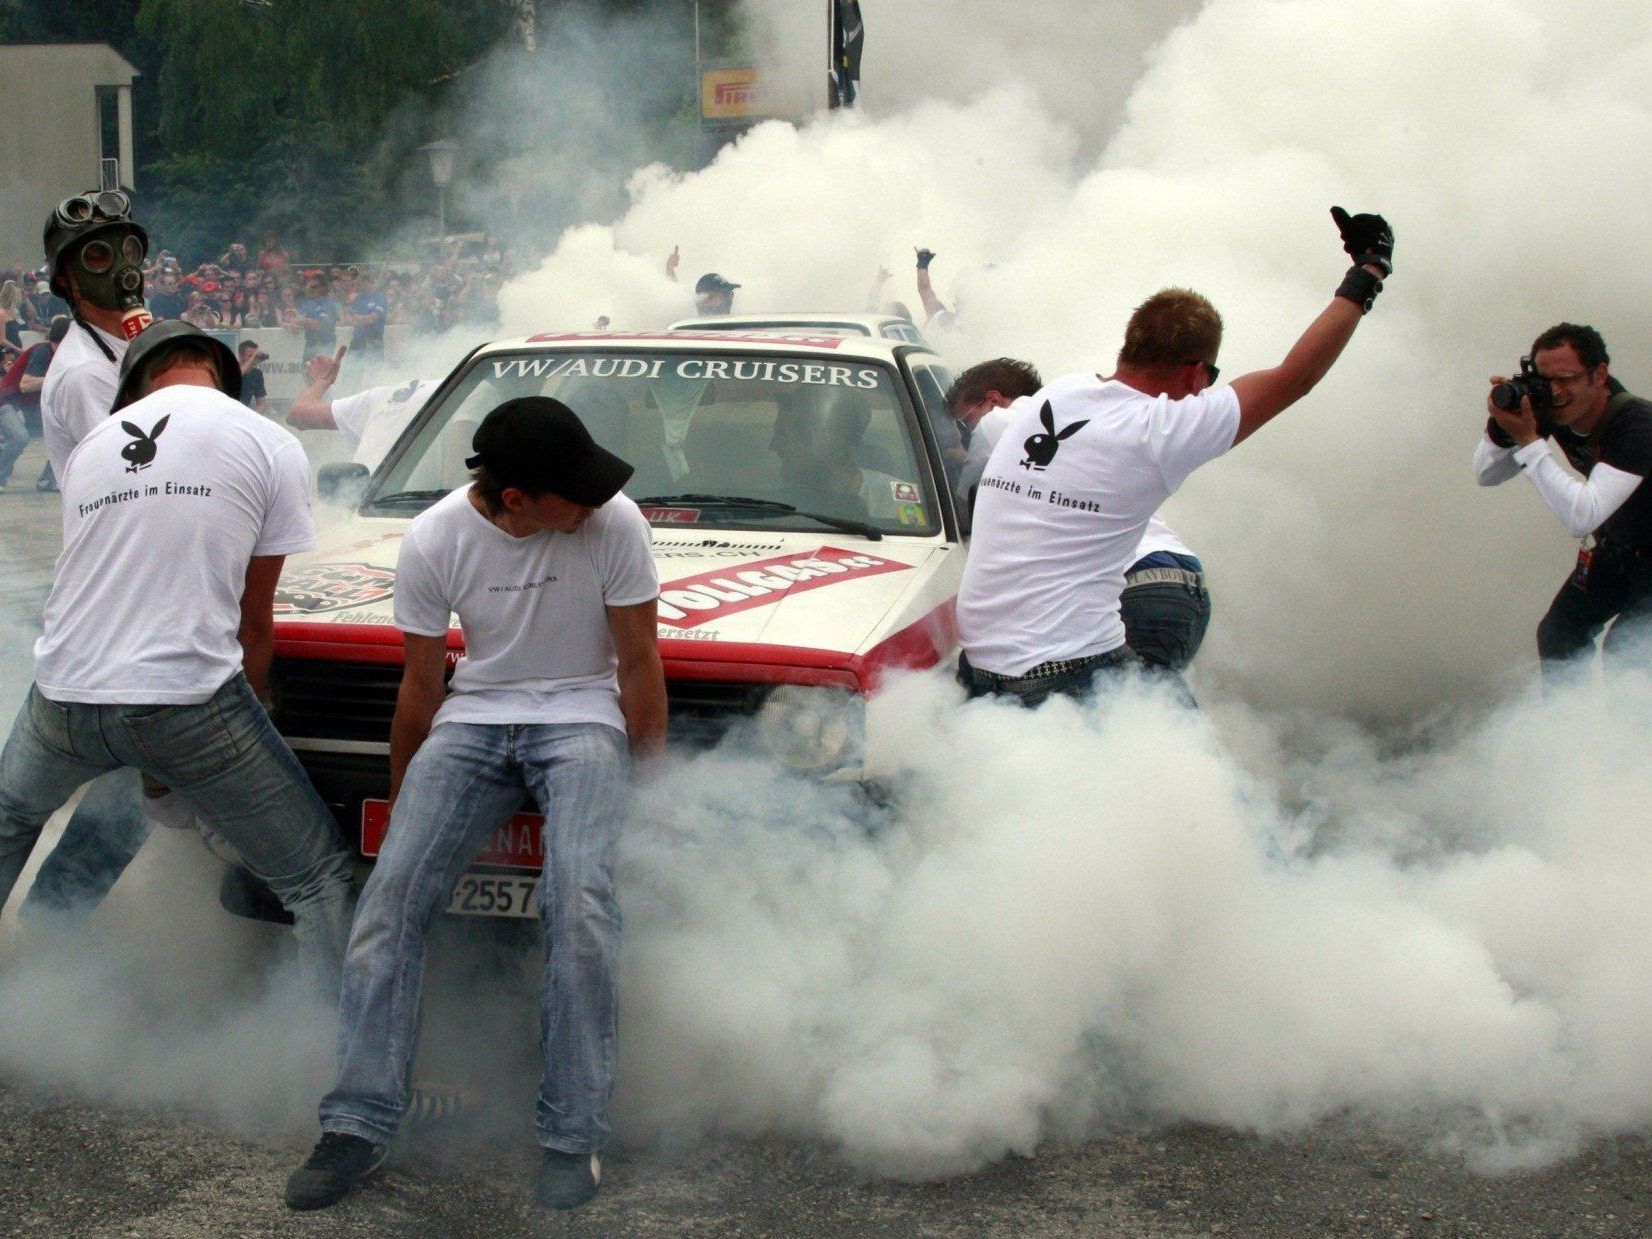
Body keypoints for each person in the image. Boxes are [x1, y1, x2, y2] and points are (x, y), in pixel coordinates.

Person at [285, 396, 664, 1213]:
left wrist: (651, 790)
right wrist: (403, 801)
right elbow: (421, 686)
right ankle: (356, 1122)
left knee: (581, 905)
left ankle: (573, 1133)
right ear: (518, 498)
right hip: (476, 718)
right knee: (389, 903)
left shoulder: (617, 523)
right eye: (576, 491)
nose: (595, 501)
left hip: (584, 718)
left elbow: (638, 665)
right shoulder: (435, 538)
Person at [0, 321, 354, 990]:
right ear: (219, 372)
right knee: (315, 876)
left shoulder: (93, 448)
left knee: (12, 822)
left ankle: (35, 980)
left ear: (134, 386)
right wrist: (221, 747)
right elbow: (254, 623)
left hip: (62, 693)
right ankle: (337, 1064)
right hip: (187, 699)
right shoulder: (270, 440)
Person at [955, 205, 1393, 706]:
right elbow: (1295, 378)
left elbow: (987, 426)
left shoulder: (1051, 398)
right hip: (1065, 675)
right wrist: (1367, 273)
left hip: (978, 668)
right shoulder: (1158, 430)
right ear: (1195, 372)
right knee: (1198, 778)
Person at [22, 192, 161, 912]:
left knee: (122, 791)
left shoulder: (133, 345)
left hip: (136, 590)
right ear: (69, 281)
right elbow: (153, 462)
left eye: (127, 250)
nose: (122, 269)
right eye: (99, 257)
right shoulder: (82, 372)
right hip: (118, 599)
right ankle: (49, 931)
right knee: (120, 794)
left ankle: (52, 926)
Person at [949, 357, 1213, 678]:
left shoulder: (1002, 423)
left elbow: (961, 496)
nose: (966, 433)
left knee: (1132, 718)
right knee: (1147, 712)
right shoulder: (1086, 416)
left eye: (964, 422)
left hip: (1130, 587)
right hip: (1178, 579)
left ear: (993, 401)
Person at [1475, 323, 1652, 676]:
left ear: (1598, 375)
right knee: (1560, 633)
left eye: (1565, 380)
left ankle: (1630, 731)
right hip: (1621, 548)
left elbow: (1582, 516)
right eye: (1544, 381)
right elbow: (1486, 474)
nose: (1554, 393)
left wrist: (1528, 441)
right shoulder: (1551, 412)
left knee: (1627, 655)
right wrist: (1502, 427)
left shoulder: (1637, 426)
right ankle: (1565, 727)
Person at [286, 345, 441, 470]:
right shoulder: (384, 395)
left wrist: (322, 381)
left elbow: (299, 415)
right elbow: (299, 415)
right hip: (373, 502)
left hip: (371, 502)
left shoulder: (386, 394)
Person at [0, 316, 68, 488]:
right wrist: (57, 379)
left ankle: (48, 480)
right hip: (7, 402)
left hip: (28, 407)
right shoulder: (43, 351)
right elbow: (26, 385)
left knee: (65, 433)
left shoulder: (62, 356)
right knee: (19, 437)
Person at [340, 268, 387, 359]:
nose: (356, 286)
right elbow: (348, 317)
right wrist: (362, 318)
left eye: (359, 283)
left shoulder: (380, 298)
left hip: (373, 341)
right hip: (357, 341)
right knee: (351, 368)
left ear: (367, 283)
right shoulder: (358, 298)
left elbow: (372, 319)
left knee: (373, 369)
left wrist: (357, 318)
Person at [238, 339, 269, 414]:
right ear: (241, 356)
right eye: (250, 356)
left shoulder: (257, 374)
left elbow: (261, 403)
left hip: (243, 413)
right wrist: (253, 357)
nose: (254, 359)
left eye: (255, 356)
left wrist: (256, 413)